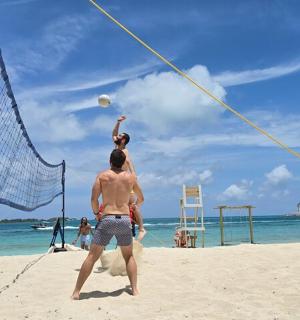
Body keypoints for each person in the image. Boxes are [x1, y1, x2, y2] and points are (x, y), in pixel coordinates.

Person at [71, 149, 144, 300]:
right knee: (129, 256)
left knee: (92, 256)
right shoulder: (131, 178)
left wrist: (97, 213)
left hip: (108, 219)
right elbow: (141, 198)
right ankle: (135, 290)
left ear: (110, 161)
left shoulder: (102, 176)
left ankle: (76, 292)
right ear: (124, 162)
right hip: (124, 219)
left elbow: (94, 199)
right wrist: (132, 206)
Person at [112, 115, 146, 240]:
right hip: (119, 183)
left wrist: (134, 177)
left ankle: (141, 228)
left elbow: (131, 163)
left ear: (124, 140)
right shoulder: (117, 147)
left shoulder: (124, 152)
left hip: (127, 182)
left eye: (120, 136)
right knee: (124, 207)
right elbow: (114, 133)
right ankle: (130, 229)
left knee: (133, 204)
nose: (117, 136)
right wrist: (118, 122)